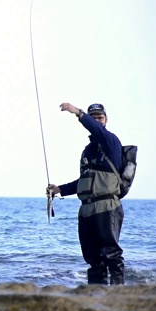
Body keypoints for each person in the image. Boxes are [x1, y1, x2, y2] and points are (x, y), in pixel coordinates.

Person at [47, 103, 125, 285]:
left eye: (100, 118)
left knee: (111, 253)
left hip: (106, 206)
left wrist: (79, 113)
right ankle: (96, 294)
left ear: (106, 120)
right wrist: (59, 190)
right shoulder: (88, 151)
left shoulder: (111, 141)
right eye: (94, 117)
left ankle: (120, 294)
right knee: (93, 257)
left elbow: (97, 130)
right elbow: (84, 181)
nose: (98, 120)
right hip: (87, 209)